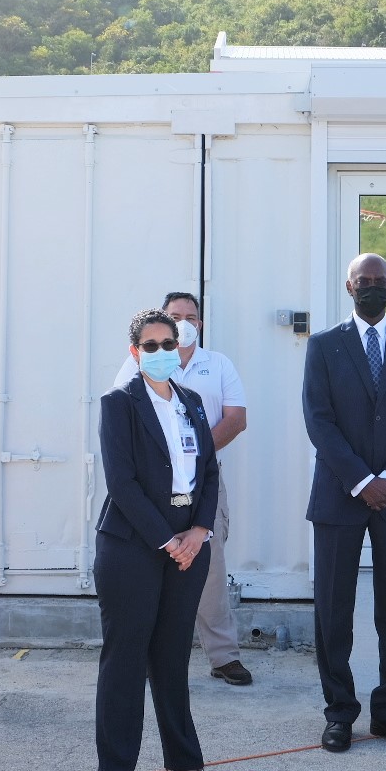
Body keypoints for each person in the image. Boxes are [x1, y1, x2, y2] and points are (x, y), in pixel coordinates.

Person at [303, 254, 386, 753]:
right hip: (340, 495)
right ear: (349, 287)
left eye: (380, 282)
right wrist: (361, 480)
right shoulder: (324, 346)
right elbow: (319, 420)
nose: (372, 288)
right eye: (364, 281)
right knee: (333, 609)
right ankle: (339, 712)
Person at [94, 309, 223, 771]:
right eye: (150, 345)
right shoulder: (118, 403)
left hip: (189, 543)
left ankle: (182, 765)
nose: (161, 352)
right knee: (125, 660)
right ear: (135, 352)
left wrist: (199, 531)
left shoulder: (191, 402)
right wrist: (169, 541)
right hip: (134, 544)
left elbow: (209, 472)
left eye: (168, 343)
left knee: (172, 657)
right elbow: (121, 483)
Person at [114, 291, 252, 686]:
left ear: (200, 324)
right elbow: (123, 414)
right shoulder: (139, 362)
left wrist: (194, 453)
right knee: (148, 560)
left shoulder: (218, 365)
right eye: (176, 316)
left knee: (209, 564)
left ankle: (224, 656)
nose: (184, 323)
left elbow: (236, 418)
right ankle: (145, 656)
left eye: (191, 317)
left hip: (203, 480)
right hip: (152, 483)